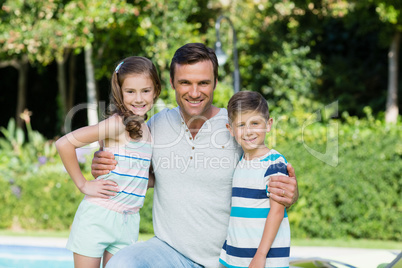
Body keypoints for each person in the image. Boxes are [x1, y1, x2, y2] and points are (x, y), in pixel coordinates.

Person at [91, 43, 298, 268]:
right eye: (185, 83)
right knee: (122, 264)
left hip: (228, 259)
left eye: (203, 83)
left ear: (215, 83)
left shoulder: (237, 129)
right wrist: (106, 163)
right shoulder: (155, 125)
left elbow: (268, 179)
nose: (195, 92)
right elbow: (140, 172)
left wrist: (290, 193)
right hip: (169, 251)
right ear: (172, 83)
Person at [55, 56, 161, 268]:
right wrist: (83, 184)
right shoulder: (117, 124)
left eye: (145, 91)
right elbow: (64, 144)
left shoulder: (148, 130)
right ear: (120, 92)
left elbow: (139, 177)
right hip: (98, 216)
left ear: (156, 90)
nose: (138, 98)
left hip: (129, 221)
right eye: (130, 91)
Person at [219, 91, 290, 268]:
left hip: (264, 260)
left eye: (255, 123)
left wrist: (260, 255)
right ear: (231, 130)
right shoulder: (240, 163)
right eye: (241, 125)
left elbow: (277, 212)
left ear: (268, 124)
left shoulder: (275, 164)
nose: (249, 131)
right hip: (236, 257)